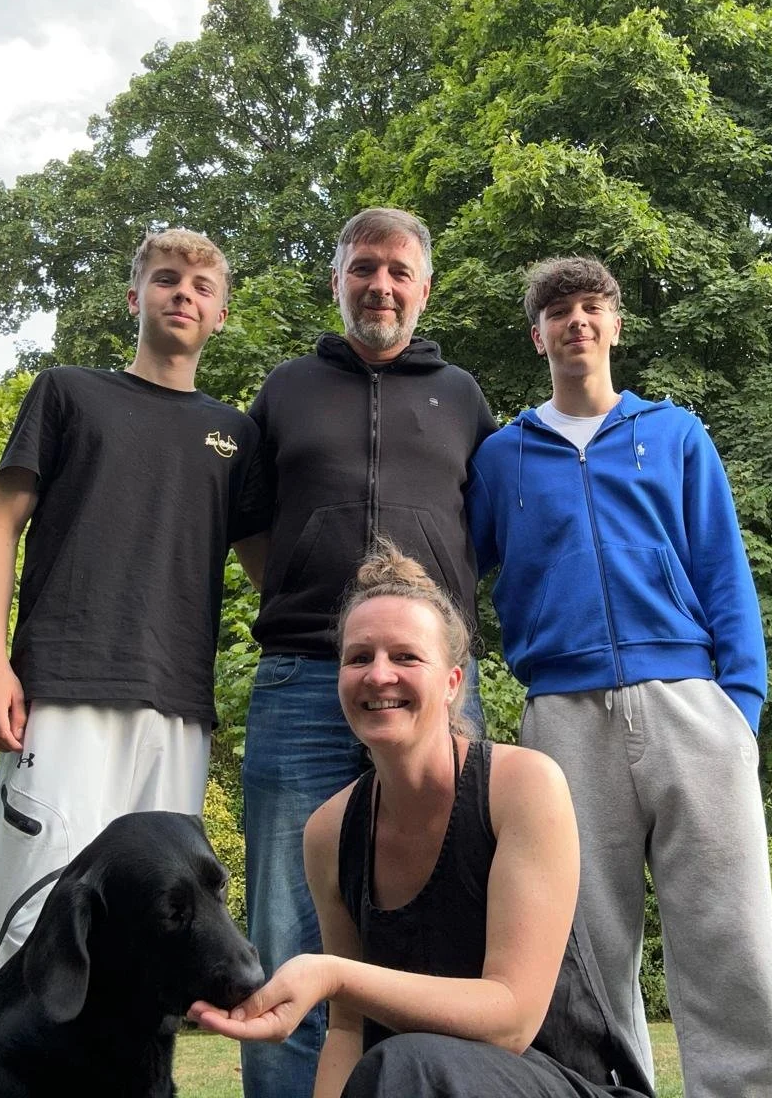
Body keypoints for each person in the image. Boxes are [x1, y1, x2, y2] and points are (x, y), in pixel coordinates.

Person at [465, 257, 772, 1096]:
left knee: (730, 933)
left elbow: (725, 573)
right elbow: (456, 579)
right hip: (562, 720)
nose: (576, 322)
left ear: (616, 326)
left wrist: (741, 712)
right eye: (559, 310)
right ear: (535, 334)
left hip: (692, 707)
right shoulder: (503, 457)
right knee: (584, 945)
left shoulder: (676, 434)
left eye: (591, 308)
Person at [192, 543, 651, 1098]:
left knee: (407, 1064)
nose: (377, 675)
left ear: (454, 681)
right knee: (398, 1064)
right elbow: (347, 1029)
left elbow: (512, 1018)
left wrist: (331, 974)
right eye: (358, 658)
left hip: (561, 1083)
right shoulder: (329, 833)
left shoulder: (523, 787)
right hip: (414, 1080)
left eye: (406, 657)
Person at [232, 208, 496, 1095]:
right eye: (363, 269)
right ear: (338, 277)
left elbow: (482, 532)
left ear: (425, 287)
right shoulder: (285, 389)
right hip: (306, 677)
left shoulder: (462, 395)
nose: (379, 285)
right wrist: (311, 600)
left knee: (461, 902)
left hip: (436, 691)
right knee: (287, 919)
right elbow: (252, 529)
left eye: (397, 271)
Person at [0, 227, 265, 991]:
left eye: (202, 288)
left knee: (153, 939)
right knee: (35, 922)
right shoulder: (68, 392)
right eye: (166, 280)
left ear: (221, 314)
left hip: (180, 715)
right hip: (62, 694)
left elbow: (272, 574)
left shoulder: (235, 434)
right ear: (136, 297)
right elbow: (0, 525)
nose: (183, 296)